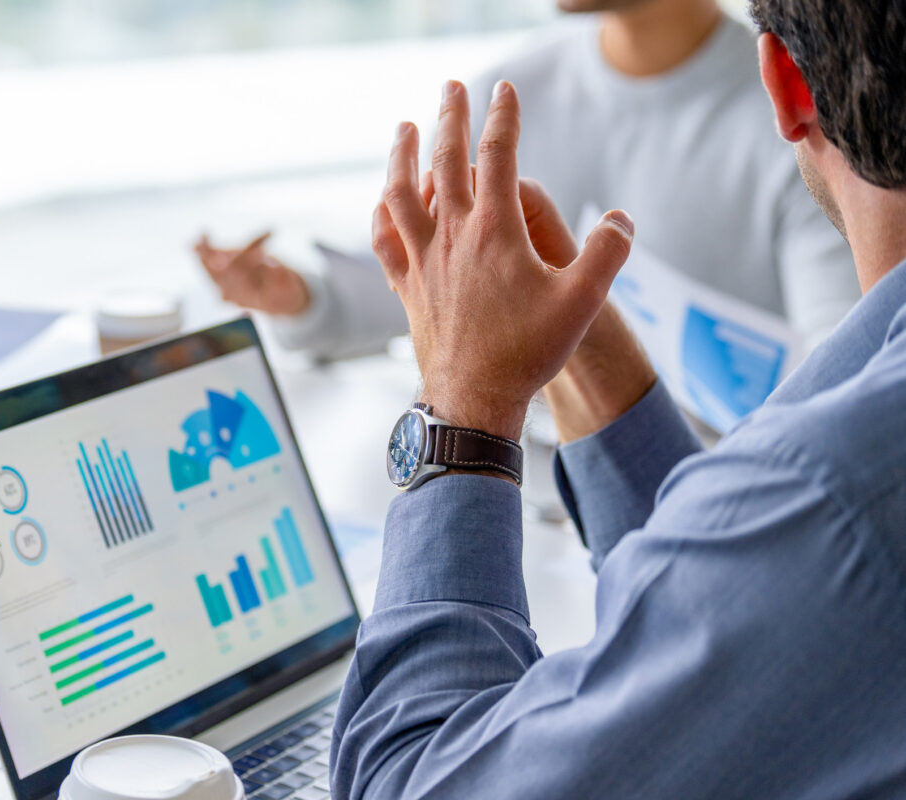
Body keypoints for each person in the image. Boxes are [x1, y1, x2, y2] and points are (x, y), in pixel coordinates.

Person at [329, 0, 906, 795]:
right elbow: (742, 590)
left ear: (783, 83)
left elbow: (410, 780)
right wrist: (582, 352)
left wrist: (462, 410)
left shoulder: (837, 495)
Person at [196, 0, 858, 365]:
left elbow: (843, 371)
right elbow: (427, 292)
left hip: (719, 497)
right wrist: (303, 298)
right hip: (538, 485)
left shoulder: (793, 115)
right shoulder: (510, 95)